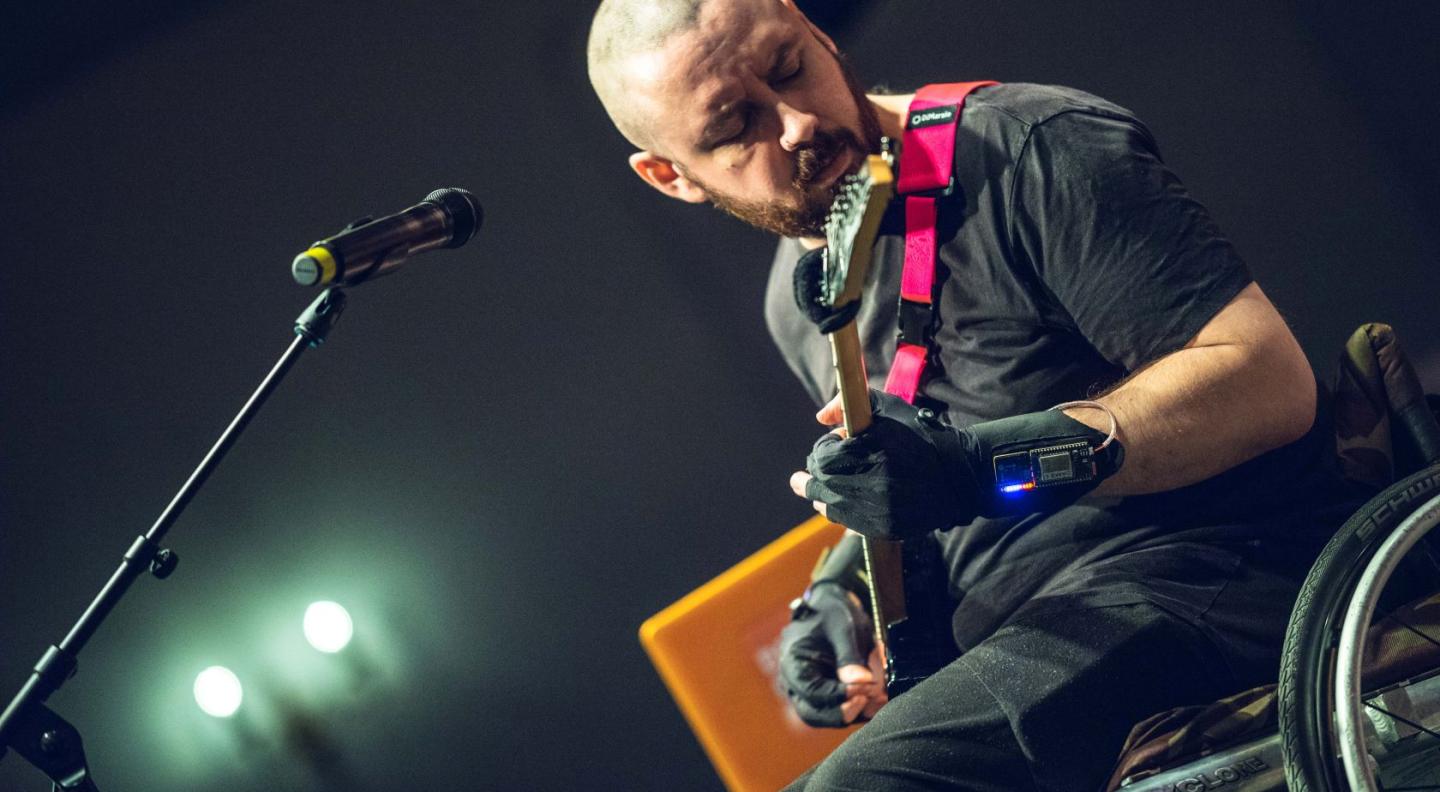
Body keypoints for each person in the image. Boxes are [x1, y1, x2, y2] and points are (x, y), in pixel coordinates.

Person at [587, 1, 1363, 789]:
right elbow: (923, 472)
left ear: (811, 27)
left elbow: (1267, 380)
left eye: (789, 66)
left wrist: (980, 467)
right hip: (1037, 634)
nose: (793, 123)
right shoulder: (799, 302)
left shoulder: (1031, 144)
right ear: (671, 175)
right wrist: (839, 593)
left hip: (1220, 572)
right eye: (735, 124)